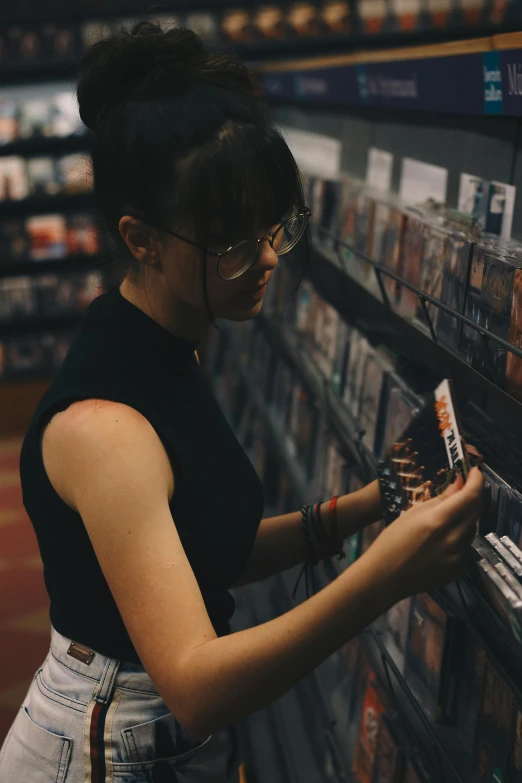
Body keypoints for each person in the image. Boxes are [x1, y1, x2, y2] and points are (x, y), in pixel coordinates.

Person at [0, 20, 483, 783]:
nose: (264, 258)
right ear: (142, 237)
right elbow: (196, 684)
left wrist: (359, 510)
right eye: (230, 240)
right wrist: (388, 572)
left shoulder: (163, 339)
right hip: (104, 753)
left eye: (273, 225)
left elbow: (194, 547)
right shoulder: (106, 428)